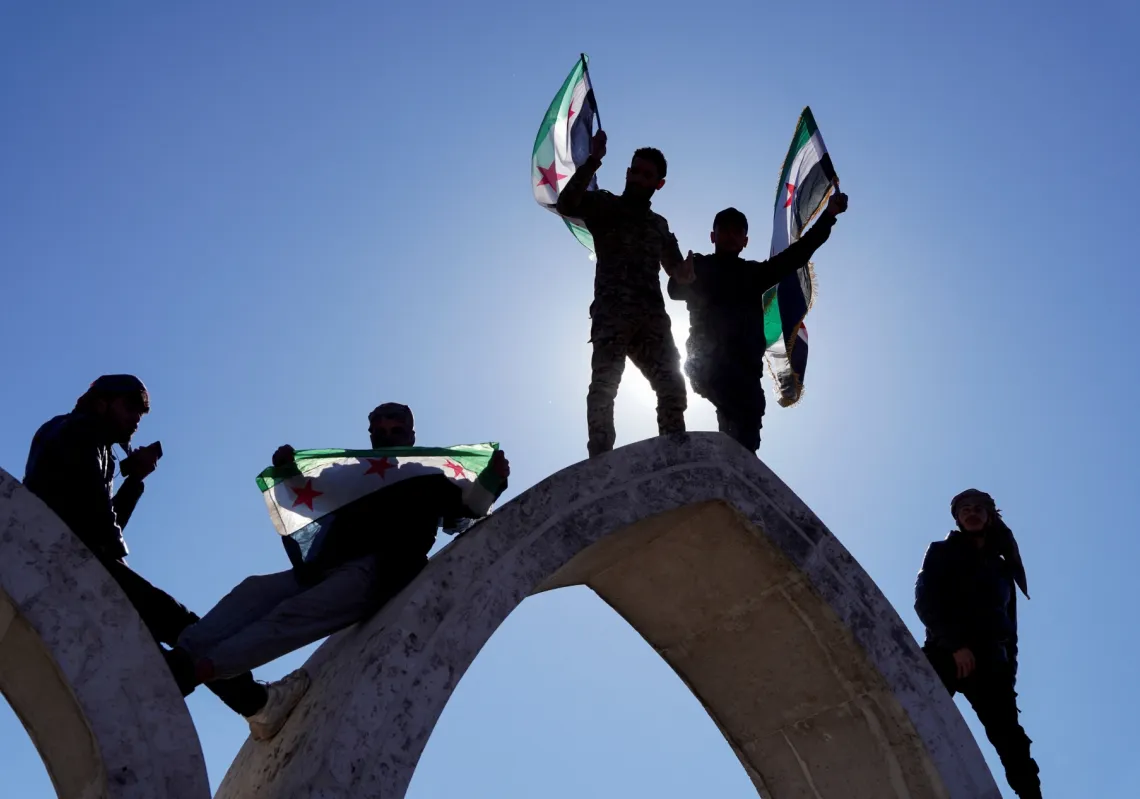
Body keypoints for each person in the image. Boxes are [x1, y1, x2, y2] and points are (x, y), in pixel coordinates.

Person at [23, 375, 307, 741]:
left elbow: (103, 524)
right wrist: (120, 555)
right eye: (130, 408)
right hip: (81, 565)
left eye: (140, 414)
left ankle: (253, 704)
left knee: (166, 638)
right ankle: (258, 704)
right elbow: (101, 528)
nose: (136, 421)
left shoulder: (83, 437)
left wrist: (135, 480)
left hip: (73, 564)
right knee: (190, 629)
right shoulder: (84, 434)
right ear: (101, 402)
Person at [172, 402, 510, 695]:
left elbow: (470, 509)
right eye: (379, 431)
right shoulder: (355, 475)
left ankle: (202, 669)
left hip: (377, 571)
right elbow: (307, 491)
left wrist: (491, 480)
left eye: (395, 429)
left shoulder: (431, 476)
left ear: (411, 435)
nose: (387, 435)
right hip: (325, 564)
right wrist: (289, 469)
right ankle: (183, 655)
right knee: (253, 591)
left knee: (291, 617)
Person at [666, 197, 847, 452]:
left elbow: (797, 255)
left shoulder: (754, 274)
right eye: (724, 229)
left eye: (737, 231)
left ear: (745, 241)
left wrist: (829, 215)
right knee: (735, 408)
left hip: (746, 369)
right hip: (708, 363)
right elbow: (675, 290)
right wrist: (681, 279)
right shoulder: (701, 266)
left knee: (746, 435)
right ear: (712, 236)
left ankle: (732, 467)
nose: (730, 235)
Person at [555, 129, 696, 458]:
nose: (639, 177)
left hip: (652, 321)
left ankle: (675, 453)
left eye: (648, 175)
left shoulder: (659, 225)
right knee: (605, 383)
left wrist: (684, 276)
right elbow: (566, 203)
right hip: (612, 312)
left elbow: (675, 273)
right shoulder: (605, 204)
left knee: (672, 387)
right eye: (635, 170)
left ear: (658, 184)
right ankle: (601, 456)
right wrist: (593, 160)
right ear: (628, 171)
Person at [914, 489, 1041, 799]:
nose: (971, 513)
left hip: (992, 664)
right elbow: (925, 602)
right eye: (965, 509)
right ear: (957, 517)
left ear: (988, 516)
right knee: (912, 709)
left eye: (978, 509)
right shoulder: (942, 551)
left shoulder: (1001, 569)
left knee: (1012, 741)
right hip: (946, 651)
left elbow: (1009, 630)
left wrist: (1008, 673)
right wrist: (956, 645)